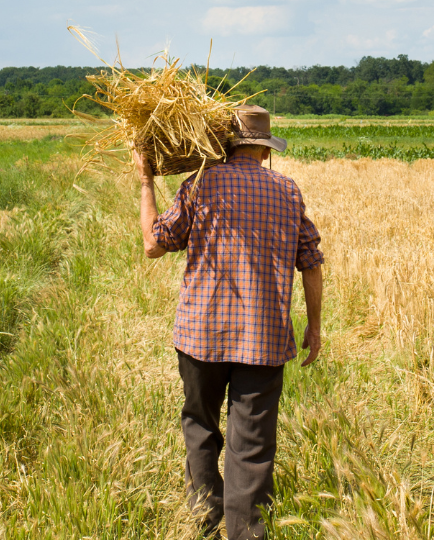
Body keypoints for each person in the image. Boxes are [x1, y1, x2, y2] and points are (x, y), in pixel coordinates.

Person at [137, 105, 324, 540]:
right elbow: (311, 262)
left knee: (200, 423)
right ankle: (245, 533)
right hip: (264, 340)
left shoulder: (201, 184)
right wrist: (314, 327)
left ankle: (204, 515)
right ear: (264, 148)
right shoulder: (287, 191)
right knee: (253, 445)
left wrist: (146, 182)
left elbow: (153, 244)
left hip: (201, 334)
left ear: (224, 144)